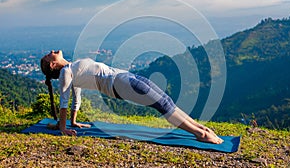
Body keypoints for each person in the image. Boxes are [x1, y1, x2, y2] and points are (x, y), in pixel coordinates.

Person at [40, 50, 223, 144]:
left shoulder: (70, 69)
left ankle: (201, 128)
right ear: (53, 64)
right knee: (162, 106)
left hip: (124, 77)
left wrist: (73, 122)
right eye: (49, 56)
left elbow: (76, 96)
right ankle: (199, 134)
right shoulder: (65, 72)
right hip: (119, 85)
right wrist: (62, 128)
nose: (51, 51)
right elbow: (65, 100)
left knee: (166, 101)